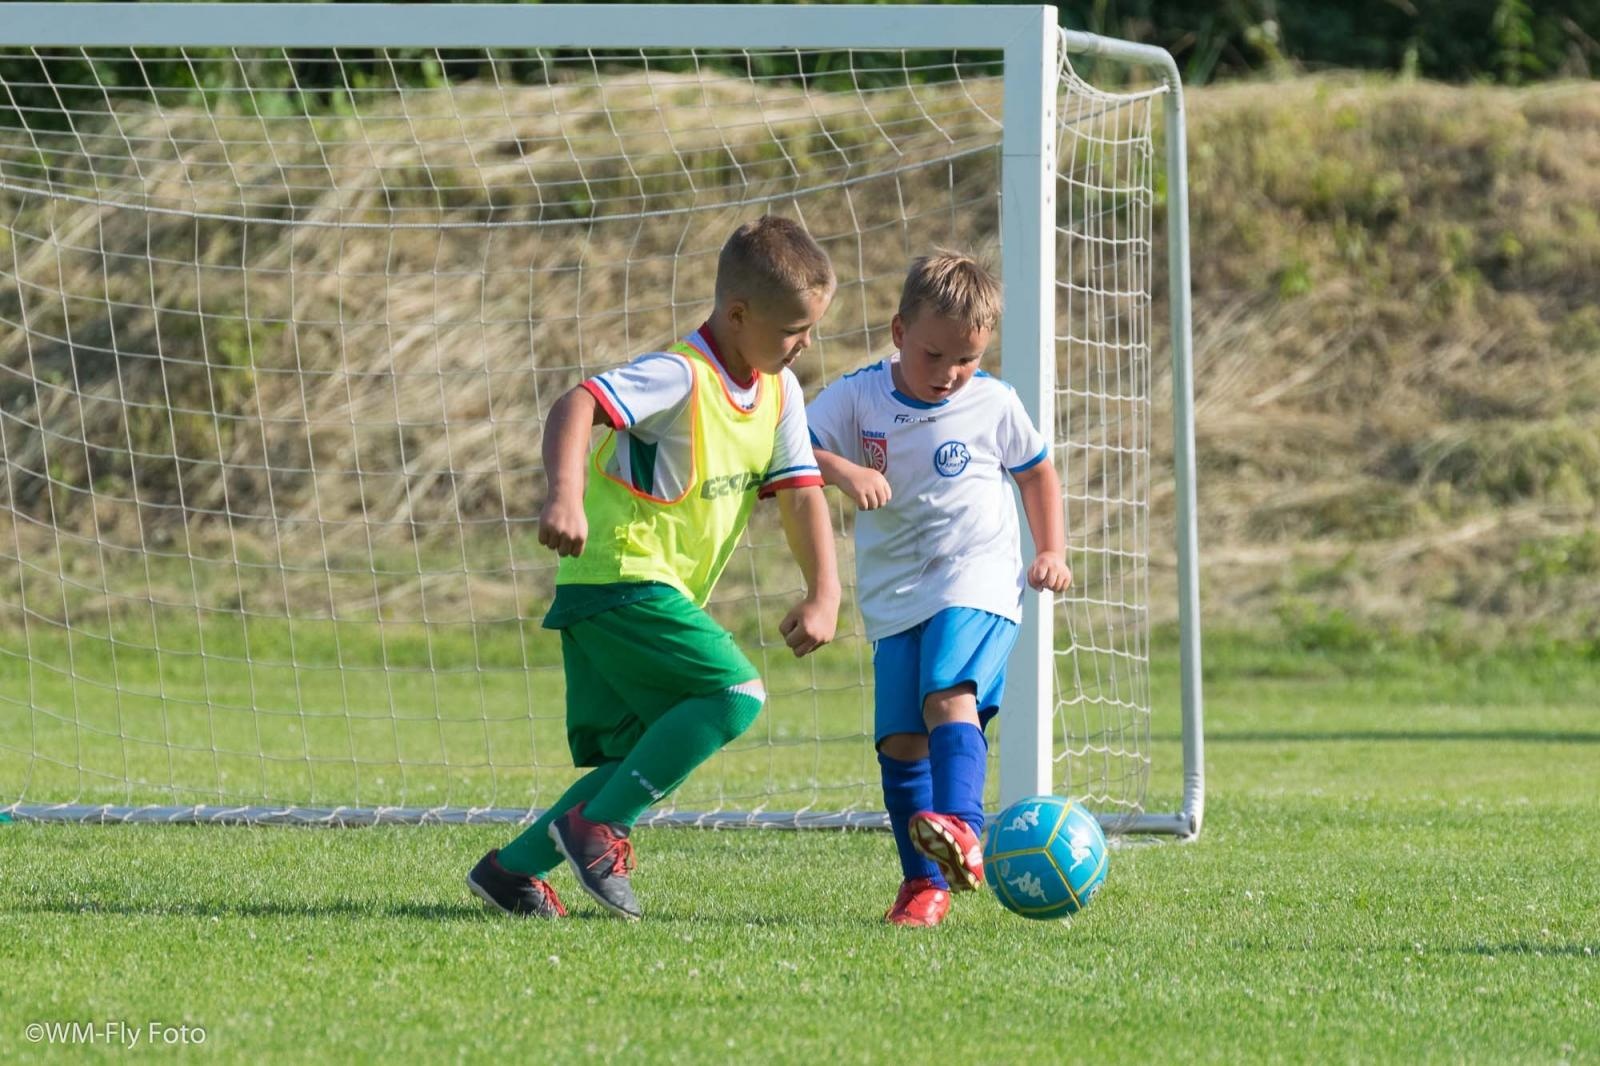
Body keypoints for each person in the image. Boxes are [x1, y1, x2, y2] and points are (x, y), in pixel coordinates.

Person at [467, 216, 840, 921]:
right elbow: (578, 402)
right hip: (616, 577)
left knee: (641, 753)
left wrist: (825, 590)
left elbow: (799, 493)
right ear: (737, 314)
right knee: (736, 694)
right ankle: (598, 831)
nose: (805, 345)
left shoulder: (780, 393)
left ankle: (510, 871)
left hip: (643, 592)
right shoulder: (679, 374)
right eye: (794, 329)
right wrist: (565, 495)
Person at [805, 251, 1072, 927]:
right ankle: (924, 885)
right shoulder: (859, 395)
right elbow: (790, 447)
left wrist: (1051, 551)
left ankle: (962, 827)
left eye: (968, 359)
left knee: (947, 694)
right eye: (935, 355)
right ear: (899, 332)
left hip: (978, 578)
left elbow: (1036, 474)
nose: (951, 375)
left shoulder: (995, 402)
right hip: (894, 592)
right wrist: (841, 469)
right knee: (899, 741)